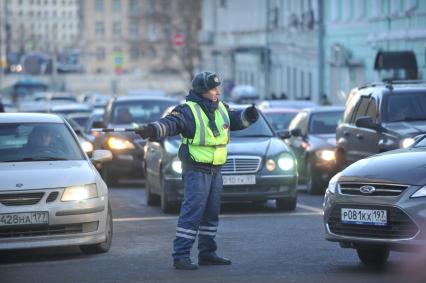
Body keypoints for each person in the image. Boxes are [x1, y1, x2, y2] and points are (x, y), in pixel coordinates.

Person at [135, 71, 259, 270]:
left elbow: (234, 120)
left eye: (218, 87)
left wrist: (248, 117)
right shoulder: (187, 110)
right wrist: (153, 129)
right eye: (213, 88)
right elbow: (170, 123)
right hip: (196, 170)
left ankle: (207, 254)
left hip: (215, 170)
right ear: (202, 91)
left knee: (211, 215)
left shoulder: (220, 108)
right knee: (192, 214)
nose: (218, 91)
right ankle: (181, 256)